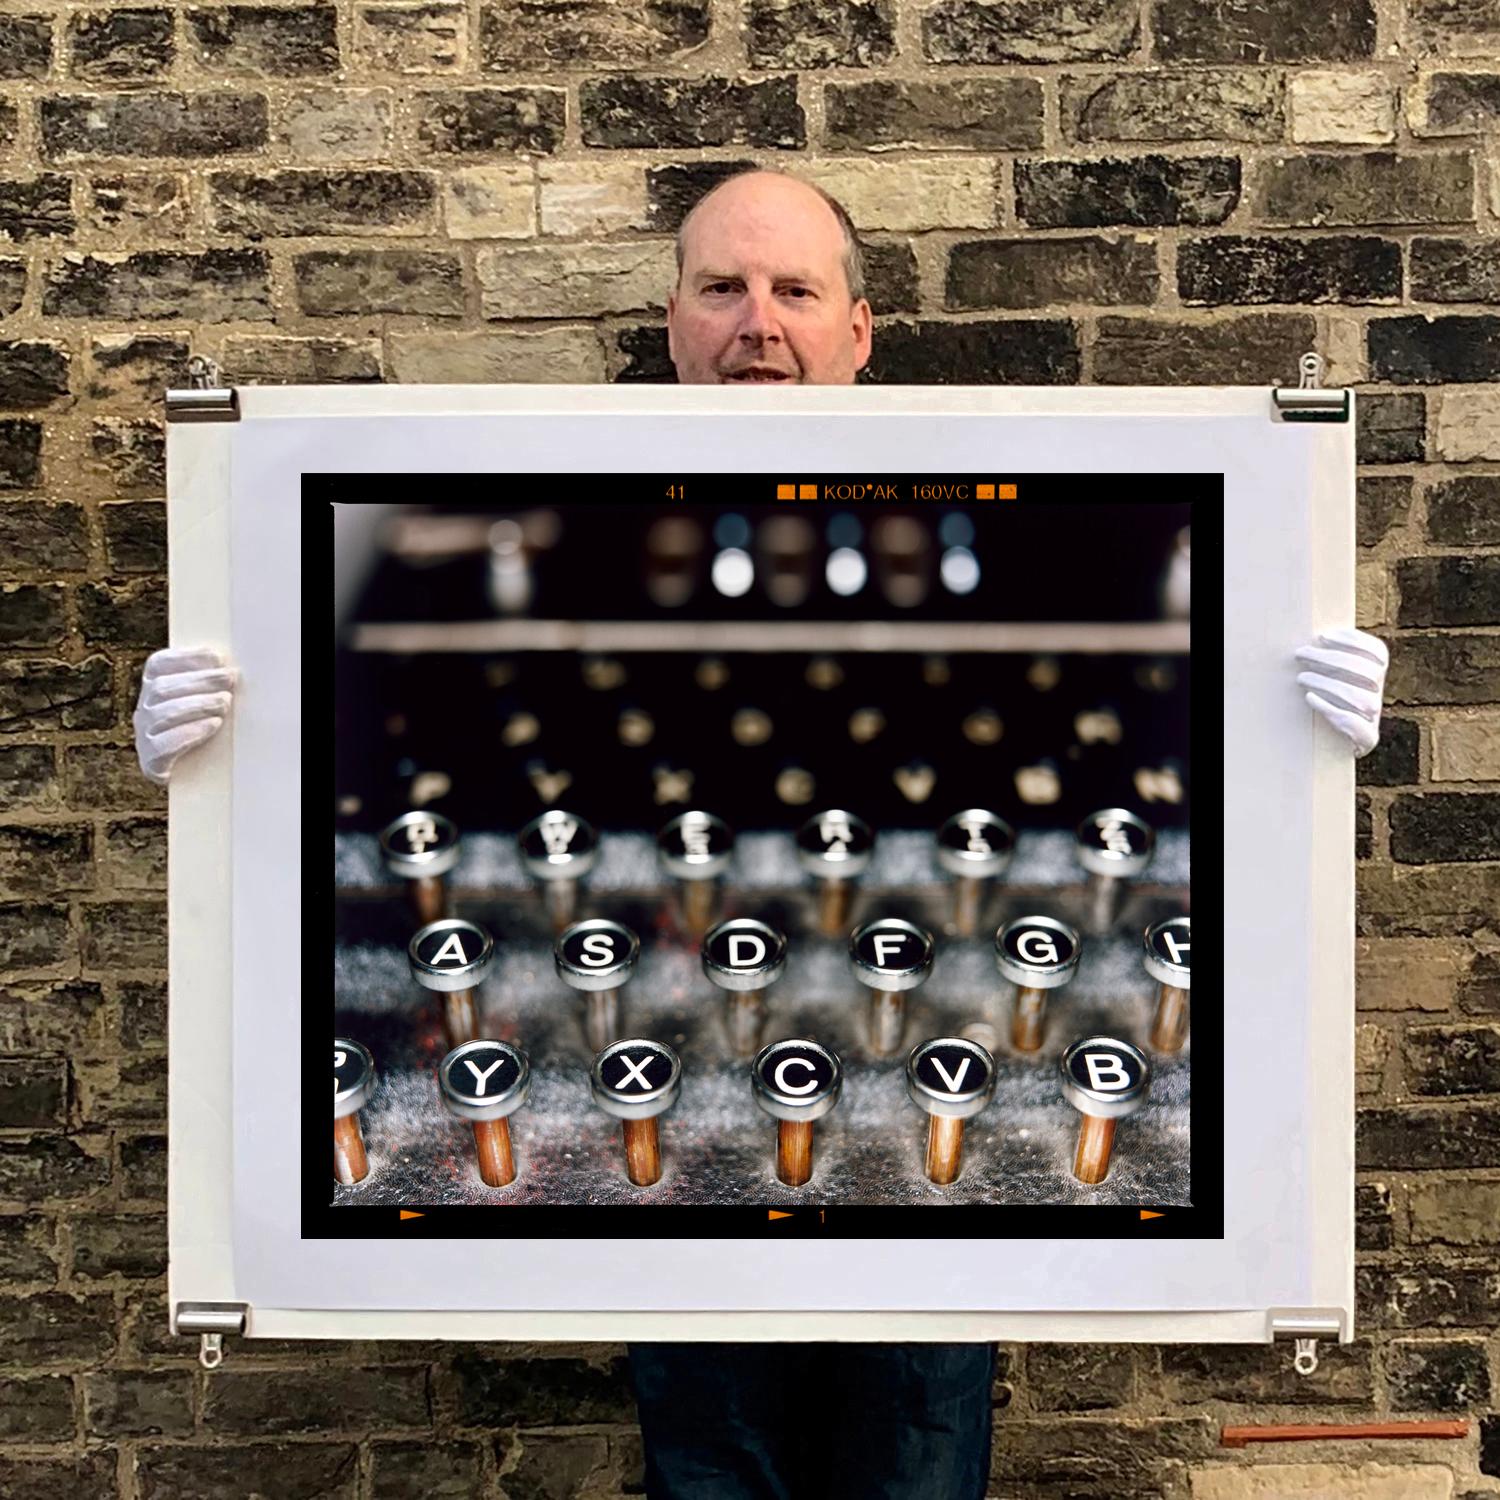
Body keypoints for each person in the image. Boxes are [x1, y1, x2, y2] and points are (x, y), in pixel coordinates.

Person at [136, 168, 1389, 1499]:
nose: (758, 324)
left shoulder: (1021, 505)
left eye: (795, 291)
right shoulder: (541, 516)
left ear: (859, 330)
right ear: (671, 320)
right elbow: (391, 768)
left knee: (915, 1458)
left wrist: (1289, 731)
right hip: (666, 1114)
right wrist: (224, 756)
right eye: (723, 289)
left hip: (926, 1133)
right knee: (711, 1459)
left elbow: (1148, 778)